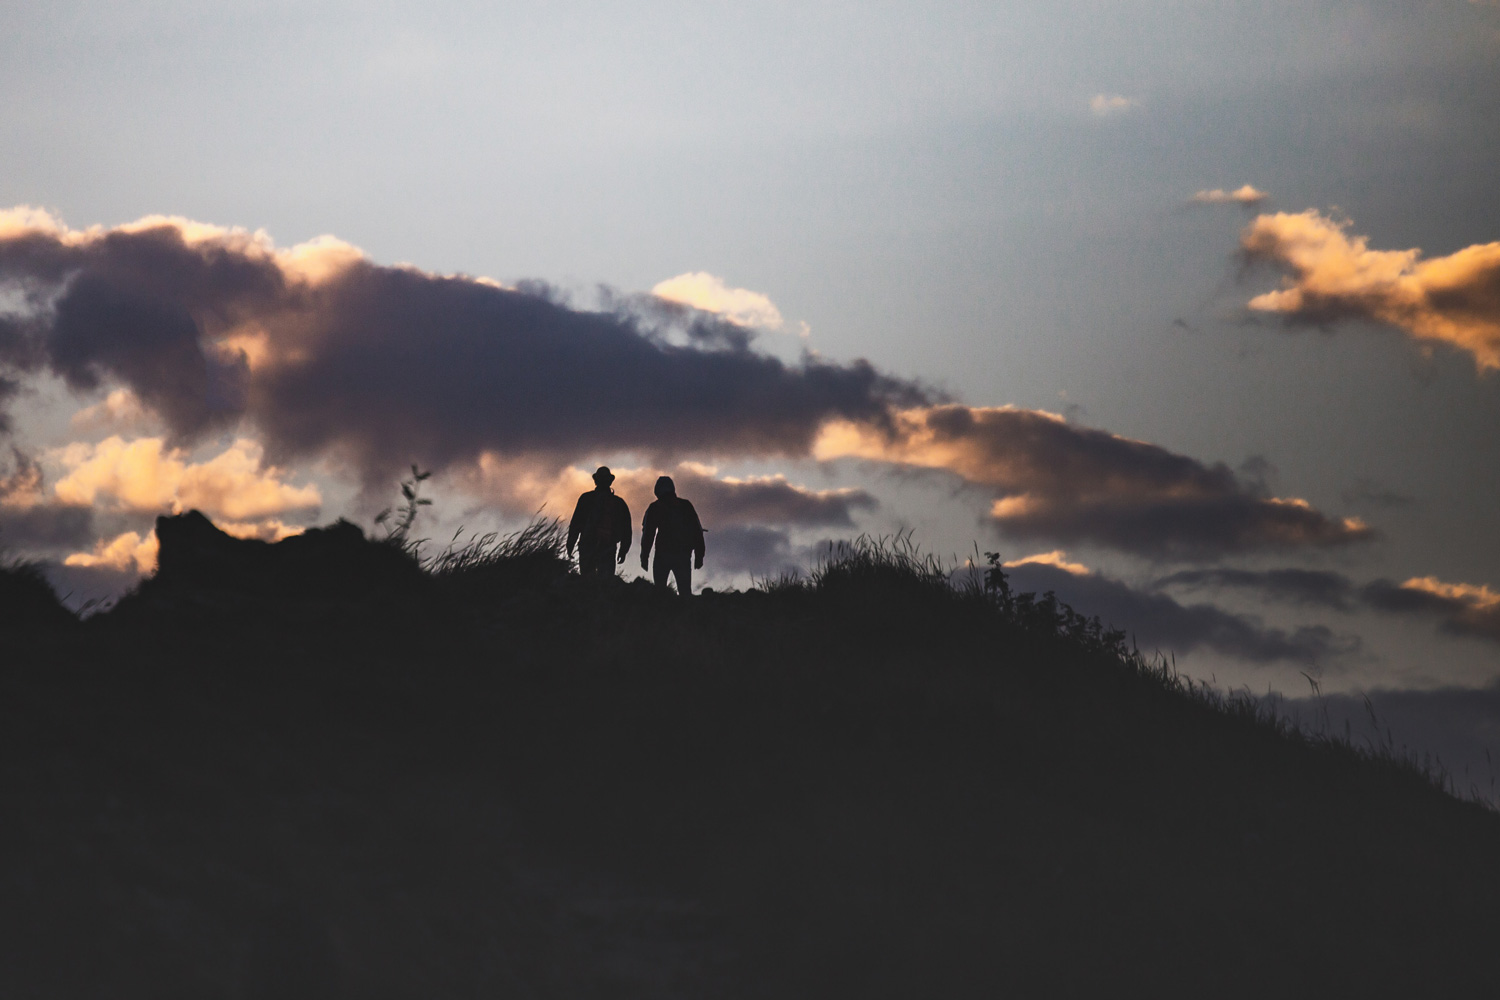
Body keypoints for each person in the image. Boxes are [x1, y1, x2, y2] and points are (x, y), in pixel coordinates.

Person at [640, 475, 705, 596]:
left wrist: (644, 556)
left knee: (660, 592)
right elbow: (697, 531)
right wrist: (699, 555)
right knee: (685, 592)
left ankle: (663, 613)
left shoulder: (655, 507)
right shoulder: (685, 505)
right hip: (682, 555)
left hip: (662, 555)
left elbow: (648, 533)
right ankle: (685, 614)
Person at [567, 466, 632, 578]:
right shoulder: (619, 503)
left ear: (596, 481)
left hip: (587, 545)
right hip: (608, 546)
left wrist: (570, 543)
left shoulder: (585, 498)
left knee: (587, 582)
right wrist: (623, 550)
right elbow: (626, 529)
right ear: (610, 481)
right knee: (605, 584)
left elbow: (576, 523)